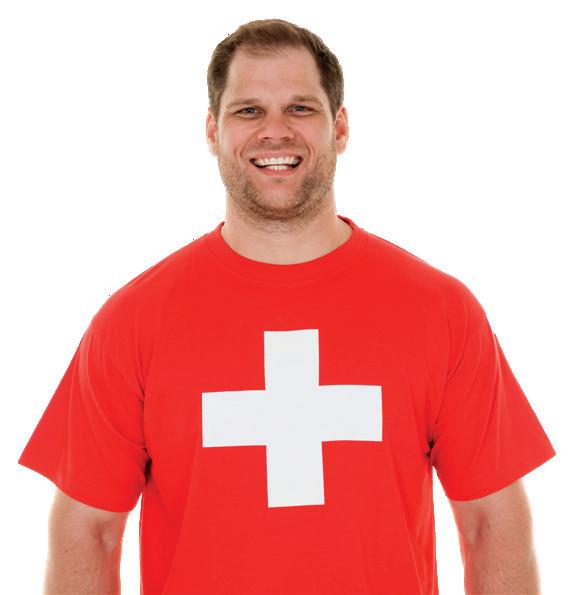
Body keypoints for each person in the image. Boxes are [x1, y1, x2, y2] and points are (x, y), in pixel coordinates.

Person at [18, 18, 556, 595]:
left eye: (300, 108)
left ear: (340, 126)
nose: (275, 132)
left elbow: (490, 523)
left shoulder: (441, 311)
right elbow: (89, 532)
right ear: (212, 129)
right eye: (248, 110)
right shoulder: (132, 322)